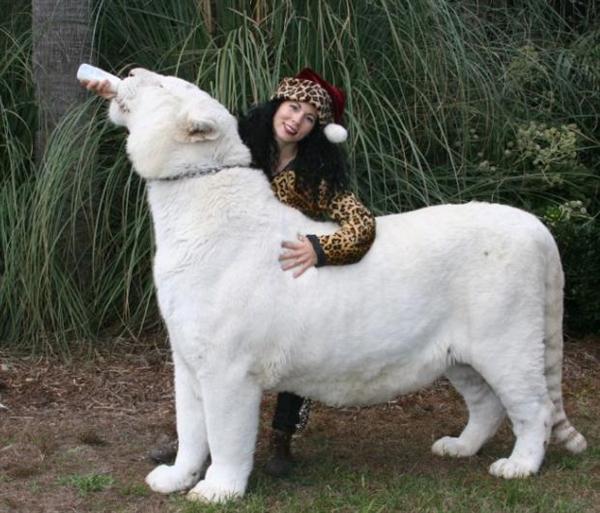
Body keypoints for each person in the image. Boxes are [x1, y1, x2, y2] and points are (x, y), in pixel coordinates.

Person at [80, 68, 376, 477]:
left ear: (317, 129)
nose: (297, 120)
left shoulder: (316, 174)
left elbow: (362, 226)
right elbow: (172, 127)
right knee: (206, 353)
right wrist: (119, 98)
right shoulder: (237, 139)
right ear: (278, 104)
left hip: (283, 272)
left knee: (291, 358)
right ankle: (196, 445)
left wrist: (320, 249)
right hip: (226, 264)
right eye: (293, 107)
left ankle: (281, 438)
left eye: (309, 118)